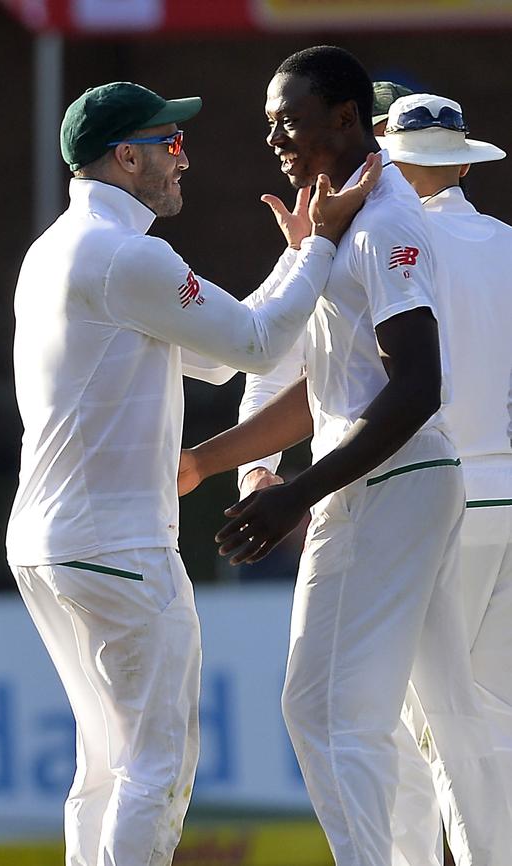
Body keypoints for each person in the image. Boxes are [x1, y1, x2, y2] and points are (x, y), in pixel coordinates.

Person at [5, 80, 380, 866]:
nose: (184, 160)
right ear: (126, 157)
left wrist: (293, 259)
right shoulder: (126, 255)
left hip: (51, 542)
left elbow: (219, 356)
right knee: (156, 767)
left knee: (105, 764)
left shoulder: (59, 249)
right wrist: (318, 246)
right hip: (117, 544)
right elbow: (253, 348)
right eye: (169, 146)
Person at [178, 46, 509, 866]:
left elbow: (415, 384)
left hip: (387, 485)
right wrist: (214, 461)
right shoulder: (355, 221)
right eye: (270, 125)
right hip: (436, 484)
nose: (276, 139)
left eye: (290, 122)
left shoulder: (384, 223)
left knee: (324, 713)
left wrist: (296, 492)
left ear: (352, 121)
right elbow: (324, 388)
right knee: (458, 719)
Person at [377, 91, 512, 866]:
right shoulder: (503, 242)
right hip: (503, 497)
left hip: (434, 501)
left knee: (429, 723)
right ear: (462, 160)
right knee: (486, 718)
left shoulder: (380, 244)